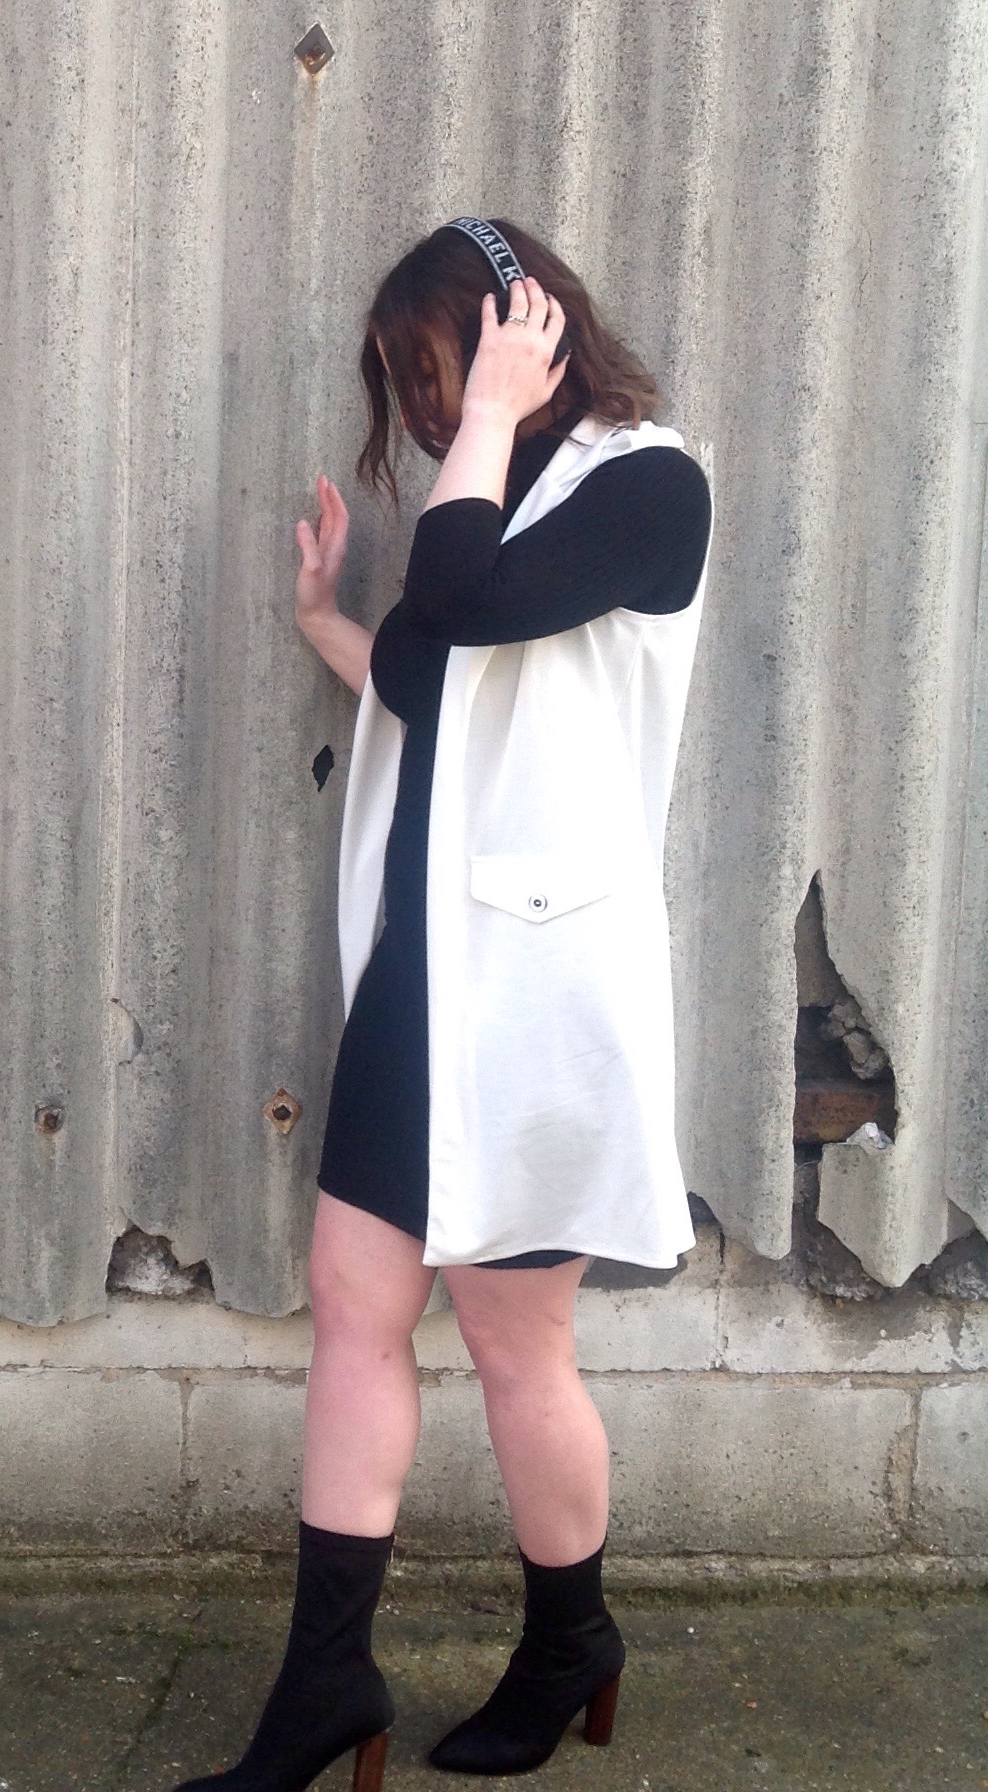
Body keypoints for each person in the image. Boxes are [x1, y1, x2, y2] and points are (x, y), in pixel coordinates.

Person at [175, 219, 711, 1790]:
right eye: (407, 383)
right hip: (420, 982)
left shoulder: (646, 487)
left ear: (524, 328)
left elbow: (465, 599)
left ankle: (569, 1643)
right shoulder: (497, 498)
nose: (422, 410)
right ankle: (324, 1687)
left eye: (438, 369)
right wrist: (325, 624)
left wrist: (485, 416)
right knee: (354, 1306)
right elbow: (435, 686)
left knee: (513, 1345)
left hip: (537, 1004)